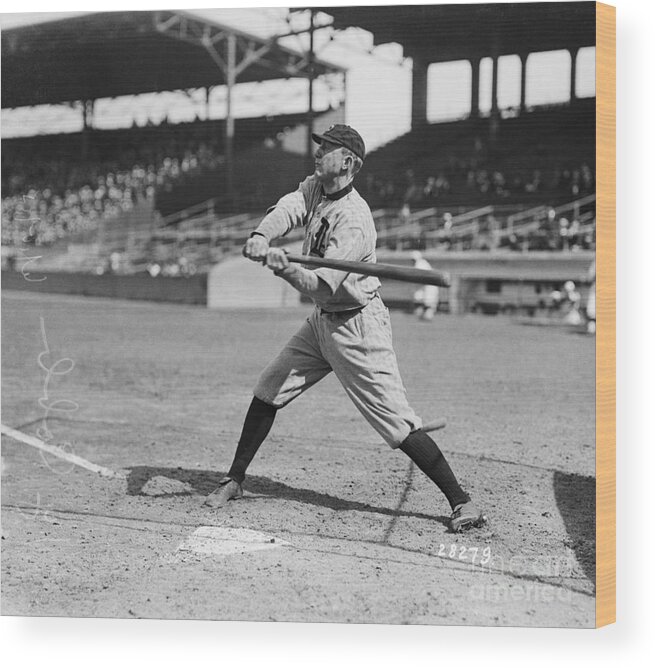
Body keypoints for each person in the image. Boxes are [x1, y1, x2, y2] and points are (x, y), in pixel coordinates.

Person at [203, 125, 485, 533]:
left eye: (327, 150)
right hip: (322, 321)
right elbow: (289, 205)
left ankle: (463, 502)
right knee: (268, 389)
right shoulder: (316, 187)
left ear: (348, 162)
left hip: (358, 327)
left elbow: (320, 283)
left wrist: (282, 267)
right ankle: (235, 479)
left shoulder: (354, 220)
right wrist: (262, 235)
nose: (318, 155)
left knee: (396, 424)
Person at [411, 251, 439, 321]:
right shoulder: (421, 263)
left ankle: (427, 316)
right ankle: (422, 316)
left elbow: (421, 277)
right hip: (425, 286)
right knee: (421, 300)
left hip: (429, 286)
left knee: (428, 302)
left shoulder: (420, 264)